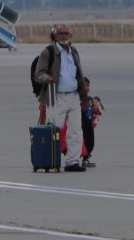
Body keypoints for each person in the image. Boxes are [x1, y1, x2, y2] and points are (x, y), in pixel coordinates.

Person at [33, 24, 88, 172]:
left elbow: (79, 74)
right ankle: (50, 160)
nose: (64, 36)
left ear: (71, 36)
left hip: (74, 95)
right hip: (56, 96)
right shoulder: (48, 52)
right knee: (53, 131)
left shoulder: (74, 51)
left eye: (66, 33)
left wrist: (84, 96)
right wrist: (47, 78)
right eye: (61, 33)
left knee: (76, 131)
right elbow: (38, 74)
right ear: (55, 36)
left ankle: (73, 162)